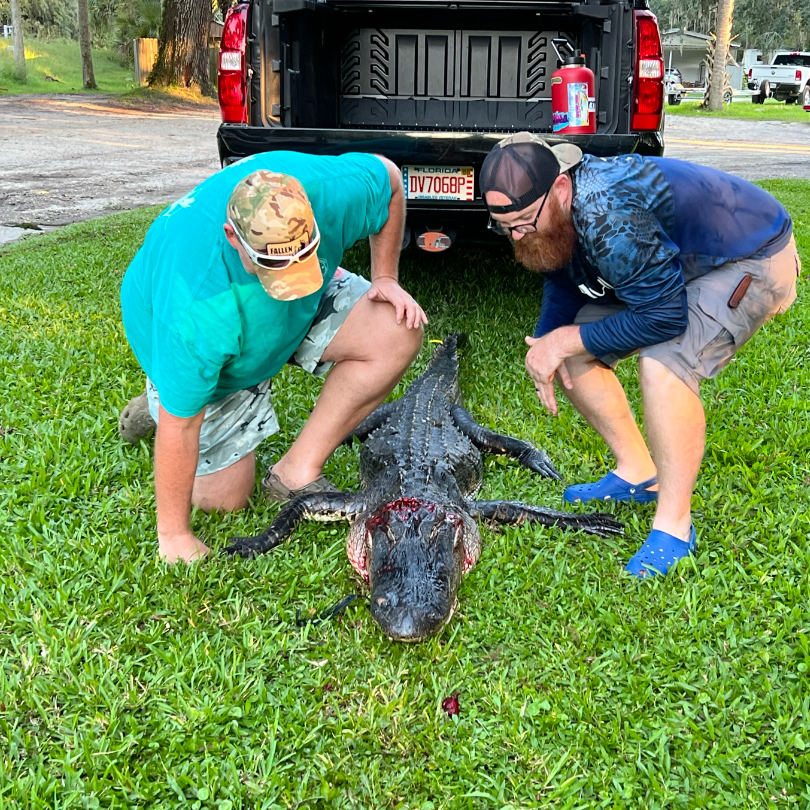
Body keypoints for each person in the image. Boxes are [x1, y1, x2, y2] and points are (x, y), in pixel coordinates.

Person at [480, 132, 800, 577]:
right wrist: (548, 342)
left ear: (560, 188)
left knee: (663, 364)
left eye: (523, 222)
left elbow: (666, 318)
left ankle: (674, 525)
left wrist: (564, 340)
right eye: (504, 225)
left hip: (750, 257)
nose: (516, 236)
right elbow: (561, 272)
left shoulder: (608, 216)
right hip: (671, 263)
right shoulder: (552, 212)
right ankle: (638, 472)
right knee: (568, 350)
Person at [119, 152, 427, 564]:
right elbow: (184, 426)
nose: (295, 282)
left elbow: (389, 178)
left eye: (305, 256)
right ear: (233, 237)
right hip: (208, 343)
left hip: (268, 322)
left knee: (398, 328)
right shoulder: (193, 306)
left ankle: (296, 471)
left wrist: (385, 277)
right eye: (279, 268)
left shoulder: (330, 190)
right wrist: (173, 535)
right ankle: (169, 394)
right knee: (224, 500)